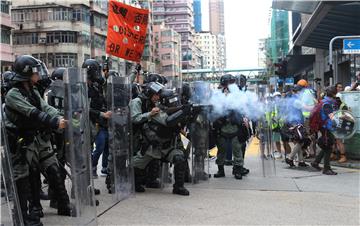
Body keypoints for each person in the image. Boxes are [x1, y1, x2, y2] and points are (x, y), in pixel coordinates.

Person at [4, 55, 73, 226]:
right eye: (35, 70)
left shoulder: (33, 91)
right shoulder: (13, 94)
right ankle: (22, 217)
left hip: (36, 139)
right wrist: (54, 121)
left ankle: (62, 205)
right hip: (20, 143)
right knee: (23, 181)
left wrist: (60, 117)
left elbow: (45, 107)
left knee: (54, 170)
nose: (38, 74)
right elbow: (32, 112)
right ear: (27, 73)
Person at [213, 74, 249, 180]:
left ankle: (237, 170)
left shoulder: (238, 94)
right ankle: (220, 170)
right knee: (221, 150)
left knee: (237, 149)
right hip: (222, 127)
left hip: (235, 127)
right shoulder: (219, 95)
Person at [83, 59, 112, 178]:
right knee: (91, 150)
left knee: (100, 146)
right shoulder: (81, 88)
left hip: (98, 122)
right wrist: (101, 114)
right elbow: (84, 108)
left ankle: (92, 168)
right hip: (87, 123)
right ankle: (90, 171)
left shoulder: (96, 86)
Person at [311, 86, 338, 175]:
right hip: (326, 127)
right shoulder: (327, 103)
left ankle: (316, 162)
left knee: (327, 145)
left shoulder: (324, 101)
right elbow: (332, 116)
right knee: (328, 146)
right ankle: (326, 168)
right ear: (334, 94)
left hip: (325, 127)